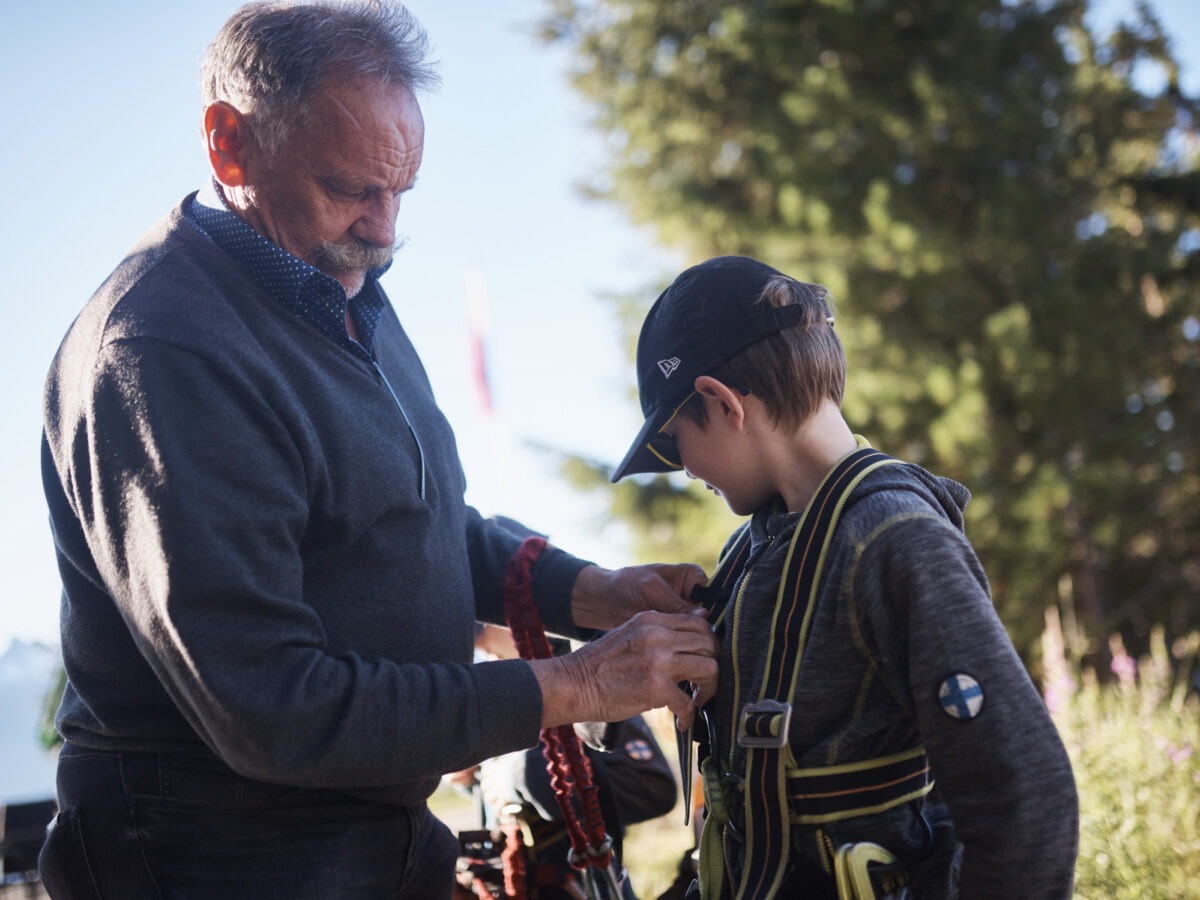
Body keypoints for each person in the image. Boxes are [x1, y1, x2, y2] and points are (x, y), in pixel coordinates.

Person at [37, 3, 718, 898]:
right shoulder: (163, 350)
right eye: (351, 188)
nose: (383, 228)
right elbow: (272, 705)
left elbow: (412, 522)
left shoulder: (341, 286)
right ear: (229, 144)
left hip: (374, 832)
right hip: (213, 853)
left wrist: (587, 592)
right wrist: (579, 685)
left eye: (402, 192)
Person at [610, 256, 1079, 899]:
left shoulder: (894, 538)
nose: (685, 468)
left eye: (674, 439)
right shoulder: (749, 553)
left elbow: (1027, 800)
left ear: (720, 402)